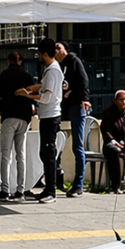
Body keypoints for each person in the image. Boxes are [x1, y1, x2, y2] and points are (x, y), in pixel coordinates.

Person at [16, 38, 63, 203]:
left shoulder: (52, 71)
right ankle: (48, 188)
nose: (38, 57)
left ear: (44, 54)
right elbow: (45, 86)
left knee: (48, 153)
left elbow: (47, 97)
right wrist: (34, 88)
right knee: (44, 152)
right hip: (47, 116)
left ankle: (51, 191)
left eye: (39, 53)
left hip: (51, 116)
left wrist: (27, 96)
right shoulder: (50, 70)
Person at [0, 52, 34, 202]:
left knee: (6, 154)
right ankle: (20, 190)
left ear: (8, 61)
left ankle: (5, 189)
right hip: (24, 117)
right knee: (20, 154)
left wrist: (1, 107)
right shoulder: (27, 77)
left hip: (9, 116)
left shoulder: (5, 75)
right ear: (20, 62)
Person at [55, 41, 91, 197]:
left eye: (58, 48)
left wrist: (83, 98)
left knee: (78, 146)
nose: (56, 51)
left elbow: (83, 81)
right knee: (74, 146)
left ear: (65, 50)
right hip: (70, 107)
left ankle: (78, 185)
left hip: (78, 106)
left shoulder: (74, 61)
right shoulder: (62, 66)